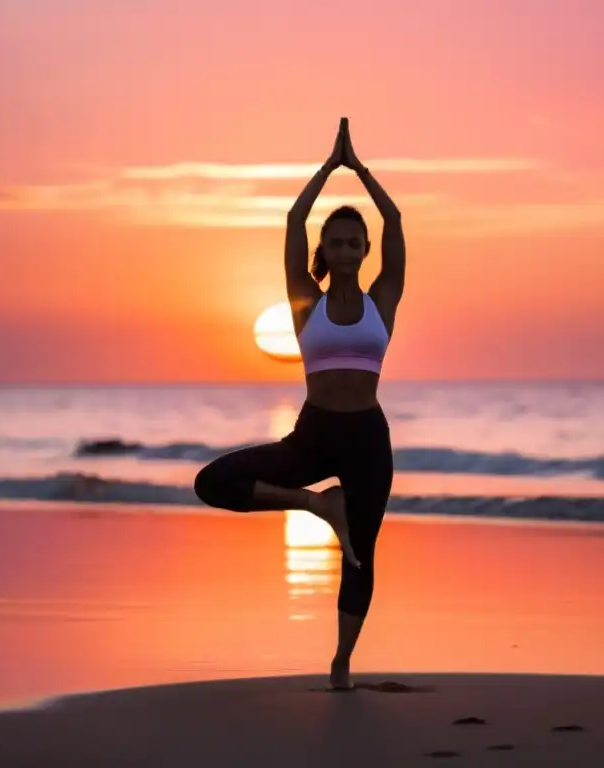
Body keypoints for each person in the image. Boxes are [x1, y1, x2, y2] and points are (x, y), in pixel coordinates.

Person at [193, 117, 406, 690]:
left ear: (363, 250)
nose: (344, 248)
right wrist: (325, 169)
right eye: (334, 241)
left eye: (352, 242)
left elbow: (395, 220)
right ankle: (316, 507)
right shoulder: (303, 301)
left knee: (361, 555)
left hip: (366, 437)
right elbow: (292, 220)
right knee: (213, 483)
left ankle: (340, 664)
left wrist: (359, 170)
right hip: (312, 437)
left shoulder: (381, 299)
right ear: (324, 249)